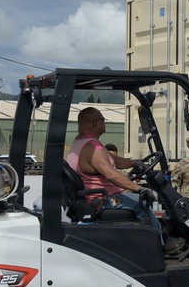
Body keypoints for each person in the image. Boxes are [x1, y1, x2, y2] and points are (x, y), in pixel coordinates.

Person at [67, 107, 180, 253]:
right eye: (102, 120)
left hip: (94, 198)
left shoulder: (81, 142)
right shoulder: (93, 147)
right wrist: (140, 188)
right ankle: (161, 243)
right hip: (105, 200)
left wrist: (134, 163)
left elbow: (112, 160)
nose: (104, 123)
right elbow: (111, 174)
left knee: (138, 198)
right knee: (143, 201)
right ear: (96, 123)